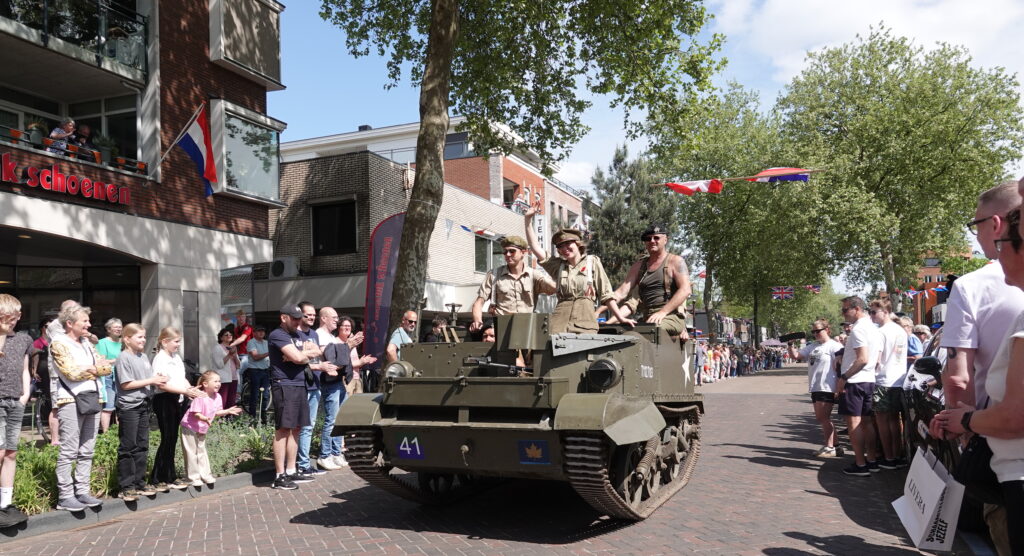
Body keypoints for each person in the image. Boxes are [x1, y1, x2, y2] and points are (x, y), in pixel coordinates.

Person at [937, 206, 1024, 554]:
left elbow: (1014, 415)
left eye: (1003, 246)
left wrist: (964, 422)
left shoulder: (971, 287)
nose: (998, 259)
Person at [524, 203, 632, 333]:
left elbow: (607, 294)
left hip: (585, 323)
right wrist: (528, 220)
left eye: (568, 244)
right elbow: (535, 247)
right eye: (560, 246)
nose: (564, 249)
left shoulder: (592, 262)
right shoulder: (558, 266)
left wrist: (620, 318)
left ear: (578, 244)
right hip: (559, 324)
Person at [51, 304, 111, 511]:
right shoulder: (59, 343)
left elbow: (107, 367)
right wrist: (95, 369)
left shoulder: (87, 343)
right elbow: (71, 373)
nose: (89, 324)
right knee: (69, 450)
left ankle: (82, 491)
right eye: (84, 321)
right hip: (70, 400)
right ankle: (65, 496)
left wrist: (90, 368)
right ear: (70, 323)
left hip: (93, 398)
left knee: (87, 449)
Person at [610, 223, 692, 338]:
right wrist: (598, 312)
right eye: (648, 239)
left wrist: (663, 312)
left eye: (656, 237)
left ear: (665, 240)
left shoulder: (676, 261)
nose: (652, 241)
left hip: (671, 316)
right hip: (648, 318)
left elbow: (685, 290)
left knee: (650, 331)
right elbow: (621, 293)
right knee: (620, 332)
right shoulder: (639, 266)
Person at [114, 323, 166, 501]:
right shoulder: (123, 358)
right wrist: (151, 380)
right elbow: (126, 384)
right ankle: (126, 486)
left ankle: (139, 482)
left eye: (144, 337)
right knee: (128, 446)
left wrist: (158, 379)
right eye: (139, 337)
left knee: (142, 444)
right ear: (127, 339)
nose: (143, 340)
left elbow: (148, 379)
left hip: (144, 404)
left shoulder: (143, 356)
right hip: (129, 407)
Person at [150, 327, 204, 491]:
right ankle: (158, 477)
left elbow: (181, 378)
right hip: (165, 400)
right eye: (176, 341)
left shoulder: (176, 357)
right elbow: (161, 385)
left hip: (177, 398)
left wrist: (191, 389)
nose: (179, 344)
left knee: (172, 439)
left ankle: (169, 475)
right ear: (164, 342)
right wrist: (185, 391)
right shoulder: (160, 359)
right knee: (167, 438)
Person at [269, 304, 317, 490]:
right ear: (284, 318)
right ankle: (279, 476)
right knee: (283, 429)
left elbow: (317, 351)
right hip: (284, 384)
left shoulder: (298, 335)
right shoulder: (277, 335)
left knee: (296, 428)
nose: (298, 322)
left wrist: (301, 354)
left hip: (299, 384)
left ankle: (291, 470)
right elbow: (298, 358)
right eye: (295, 318)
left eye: (299, 318)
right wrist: (300, 355)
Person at [836, 296, 882, 477]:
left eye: (845, 310)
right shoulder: (873, 328)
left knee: (854, 423)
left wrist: (844, 377)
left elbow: (862, 359)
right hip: (868, 379)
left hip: (855, 381)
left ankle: (860, 463)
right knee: (866, 422)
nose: (843, 313)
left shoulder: (858, 329)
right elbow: (875, 358)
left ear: (856, 309)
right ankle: (871, 460)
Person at [470, 234, 556, 332]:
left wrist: (557, 269)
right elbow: (479, 302)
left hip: (527, 327)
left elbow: (554, 288)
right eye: (505, 252)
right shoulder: (494, 275)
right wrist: (477, 320)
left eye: (512, 251)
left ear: (523, 252)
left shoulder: (534, 275)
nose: (508, 254)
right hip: (502, 327)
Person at [321, 314, 375, 470]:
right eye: (344, 326)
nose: (347, 328)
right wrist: (360, 360)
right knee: (332, 419)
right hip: (337, 382)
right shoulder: (335, 342)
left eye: (349, 327)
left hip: (348, 380)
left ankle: (336, 452)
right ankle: (326, 454)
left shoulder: (349, 343)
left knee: (342, 419)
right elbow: (339, 362)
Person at [789, 319, 843, 458]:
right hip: (816, 386)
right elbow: (796, 356)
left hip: (828, 386)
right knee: (823, 418)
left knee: (823, 417)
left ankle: (830, 447)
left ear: (827, 330)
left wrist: (839, 387)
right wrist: (790, 344)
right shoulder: (813, 346)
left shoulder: (835, 346)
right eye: (813, 331)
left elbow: (840, 367)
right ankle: (836, 446)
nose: (815, 334)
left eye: (818, 331)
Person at [180, 371, 243, 487]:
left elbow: (217, 412)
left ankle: (206, 475)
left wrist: (228, 411)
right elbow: (196, 414)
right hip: (189, 427)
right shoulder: (200, 397)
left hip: (202, 428)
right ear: (205, 384)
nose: (219, 383)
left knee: (201, 451)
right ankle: (193, 478)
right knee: (191, 452)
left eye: (219, 381)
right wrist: (205, 418)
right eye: (215, 381)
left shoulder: (217, 397)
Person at [296, 301, 338, 475]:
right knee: (299, 426)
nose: (311, 317)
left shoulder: (313, 334)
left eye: (313, 314)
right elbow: (297, 361)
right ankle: (299, 465)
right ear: (299, 315)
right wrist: (318, 365)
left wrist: (319, 363)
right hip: (300, 385)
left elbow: (317, 356)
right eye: (308, 314)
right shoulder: (294, 334)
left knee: (309, 425)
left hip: (315, 384)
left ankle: (304, 464)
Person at [0, 295, 31, 524]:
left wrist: (24, 395)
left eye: (18, 314)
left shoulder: (23, 339)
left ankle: (5, 503)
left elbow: (24, 369)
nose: (15, 319)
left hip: (15, 400)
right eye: (11, 315)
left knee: (11, 452)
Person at [869, 299, 908, 469]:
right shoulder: (900, 330)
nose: (871, 315)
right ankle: (897, 455)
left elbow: (876, 359)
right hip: (898, 380)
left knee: (882, 420)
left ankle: (889, 457)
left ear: (885, 312)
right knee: (893, 419)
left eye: (874, 312)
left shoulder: (880, 332)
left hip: (883, 379)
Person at [30, 316, 59, 446]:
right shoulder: (38, 342)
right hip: (44, 372)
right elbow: (34, 356)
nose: (49, 328)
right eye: (47, 326)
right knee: (50, 401)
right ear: (42, 328)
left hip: (54, 372)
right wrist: (34, 371)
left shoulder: (56, 340)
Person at [95, 318, 123, 433]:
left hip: (122, 376)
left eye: (120, 327)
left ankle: (120, 432)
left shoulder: (124, 342)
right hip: (108, 376)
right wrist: (117, 360)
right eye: (116, 327)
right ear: (108, 329)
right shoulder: (102, 343)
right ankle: (106, 433)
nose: (119, 329)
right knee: (108, 407)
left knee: (121, 407)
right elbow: (101, 362)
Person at [247, 326, 271, 424]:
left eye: (263, 331)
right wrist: (268, 353)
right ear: (254, 333)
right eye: (259, 331)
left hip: (265, 370)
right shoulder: (251, 342)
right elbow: (255, 357)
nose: (261, 333)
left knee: (265, 395)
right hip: (255, 371)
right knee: (255, 395)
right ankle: (252, 418)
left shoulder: (266, 342)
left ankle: (263, 417)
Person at [211, 328, 240, 408]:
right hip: (223, 379)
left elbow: (238, 366)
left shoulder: (233, 348)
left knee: (231, 402)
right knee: (222, 401)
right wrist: (229, 355)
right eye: (226, 335)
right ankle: (220, 416)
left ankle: (229, 416)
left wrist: (234, 356)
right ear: (221, 338)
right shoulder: (217, 348)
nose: (229, 336)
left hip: (234, 378)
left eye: (230, 335)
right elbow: (219, 365)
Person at [230, 310, 253, 376]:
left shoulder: (248, 328)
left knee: (238, 372)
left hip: (247, 355)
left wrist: (231, 345)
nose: (241, 318)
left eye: (243, 316)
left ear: (245, 317)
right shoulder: (236, 329)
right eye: (239, 317)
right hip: (239, 354)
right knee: (235, 371)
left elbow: (242, 338)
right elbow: (235, 340)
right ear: (237, 318)